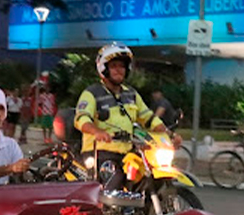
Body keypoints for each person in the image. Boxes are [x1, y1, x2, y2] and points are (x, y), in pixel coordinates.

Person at [74, 42, 179, 190]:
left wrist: (169, 135)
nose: (119, 70)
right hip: (100, 153)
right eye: (114, 66)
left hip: (127, 151)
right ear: (104, 69)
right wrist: (97, 132)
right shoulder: (92, 93)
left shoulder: (131, 94)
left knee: (148, 174)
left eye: (122, 66)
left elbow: (149, 118)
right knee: (115, 179)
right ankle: (106, 211)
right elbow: (81, 119)